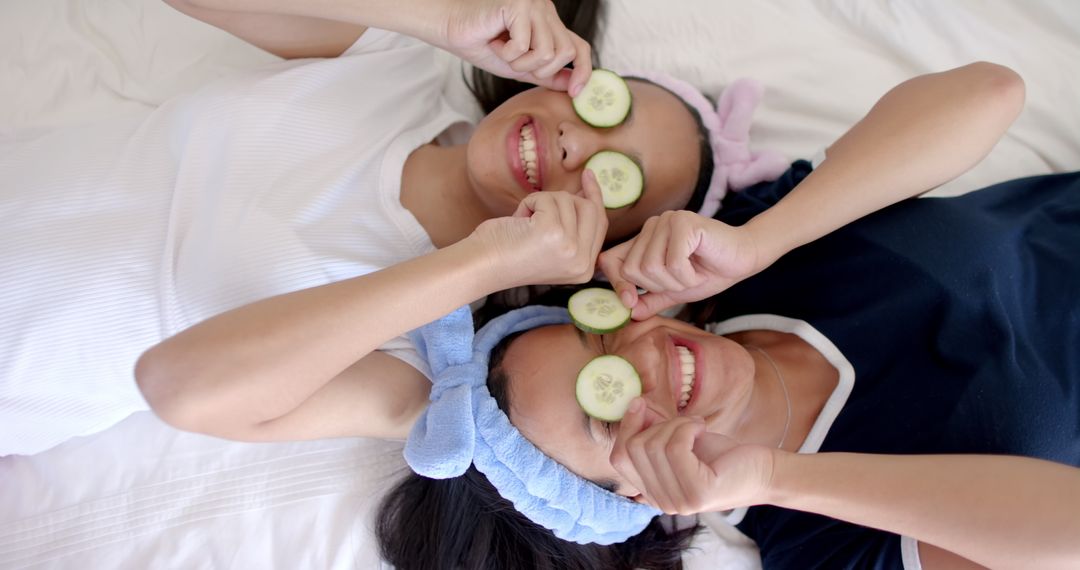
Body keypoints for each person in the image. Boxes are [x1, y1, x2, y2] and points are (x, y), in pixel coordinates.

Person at [369, 63, 1080, 569]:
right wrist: (774, 477)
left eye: (602, 334)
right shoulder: (820, 540)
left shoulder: (752, 255)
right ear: (638, 495)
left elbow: (990, 92)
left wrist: (765, 238)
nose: (645, 361)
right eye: (609, 410)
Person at [3, 0, 784, 455]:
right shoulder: (401, 67)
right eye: (599, 105)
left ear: (596, 251)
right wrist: (440, 17)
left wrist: (483, 265)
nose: (578, 143)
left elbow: (175, 386)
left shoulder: (423, 356)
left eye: (616, 182)